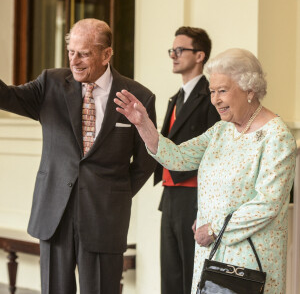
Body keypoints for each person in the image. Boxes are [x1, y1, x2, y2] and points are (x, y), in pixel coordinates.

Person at [115, 48, 297, 293]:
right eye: (212, 91)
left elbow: (268, 204)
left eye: (223, 91)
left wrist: (214, 228)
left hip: (249, 262)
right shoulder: (221, 131)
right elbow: (178, 157)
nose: (215, 100)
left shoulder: (276, 137)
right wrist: (143, 124)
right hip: (211, 253)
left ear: (250, 89)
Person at [0, 18, 157, 294]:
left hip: (105, 216)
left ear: (107, 54)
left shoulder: (139, 96)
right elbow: (6, 96)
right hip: (55, 215)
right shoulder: (50, 83)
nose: (75, 61)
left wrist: (116, 193)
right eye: (71, 52)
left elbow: (146, 161)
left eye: (84, 53)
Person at [153, 26, 220, 294]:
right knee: (169, 275)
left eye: (180, 50)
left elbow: (215, 154)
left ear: (200, 55)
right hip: (170, 196)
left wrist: (206, 209)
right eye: (172, 50)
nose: (174, 55)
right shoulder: (176, 97)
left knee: (191, 278)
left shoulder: (211, 96)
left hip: (194, 197)